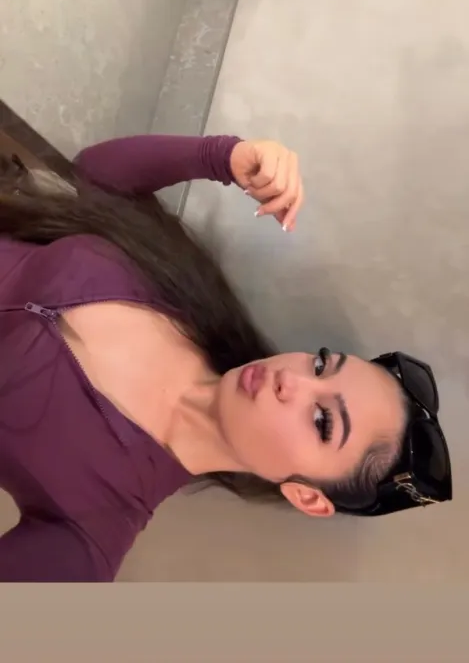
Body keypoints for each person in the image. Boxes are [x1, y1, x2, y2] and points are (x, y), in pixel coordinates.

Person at [0, 132, 452, 582]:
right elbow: (95, 175)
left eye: (322, 421)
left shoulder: (93, 524)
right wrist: (224, 157)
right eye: (320, 365)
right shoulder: (190, 295)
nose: (292, 380)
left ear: (307, 497)